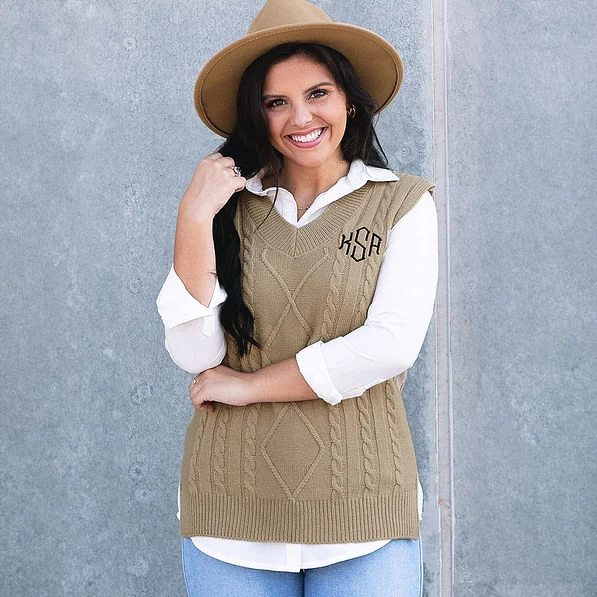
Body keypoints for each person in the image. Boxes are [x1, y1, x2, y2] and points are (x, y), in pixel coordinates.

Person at [156, 0, 438, 595]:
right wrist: (193, 215)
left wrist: (248, 387)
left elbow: (390, 346)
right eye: (276, 102)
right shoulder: (226, 209)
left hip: (364, 507)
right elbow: (193, 353)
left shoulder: (402, 204)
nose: (300, 117)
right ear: (256, 116)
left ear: (350, 100)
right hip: (231, 510)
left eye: (318, 93)